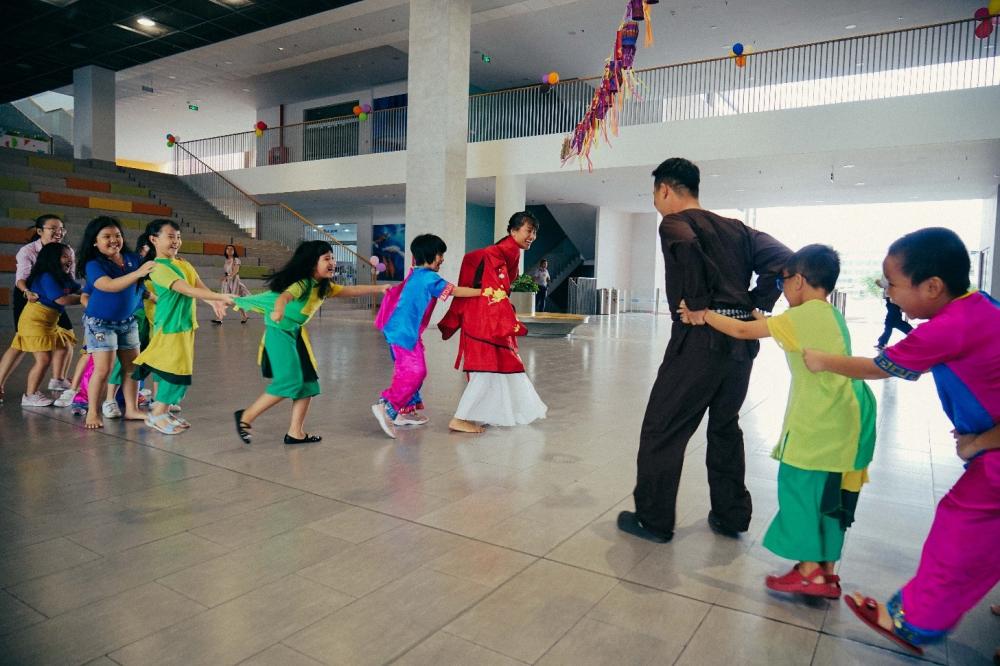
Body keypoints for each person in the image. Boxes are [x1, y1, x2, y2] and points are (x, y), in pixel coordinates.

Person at [802, 227, 999, 656]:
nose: (888, 294)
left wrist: (820, 360)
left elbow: (880, 367)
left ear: (932, 286)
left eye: (891, 284)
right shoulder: (979, 306)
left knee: (960, 523)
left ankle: (913, 622)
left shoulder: (951, 326)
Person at [681, 245, 876, 599]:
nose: (782, 288)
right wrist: (756, 313)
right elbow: (771, 326)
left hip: (822, 422)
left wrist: (703, 314)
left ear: (799, 281)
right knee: (831, 497)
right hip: (852, 420)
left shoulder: (803, 316)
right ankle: (826, 572)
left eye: (783, 281)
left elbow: (742, 333)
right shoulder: (828, 314)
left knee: (799, 488)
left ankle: (809, 572)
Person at [617, 157, 792, 544]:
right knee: (725, 426)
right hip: (740, 345)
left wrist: (697, 302)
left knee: (663, 427)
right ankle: (731, 516)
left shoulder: (674, 222)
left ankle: (653, 519)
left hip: (699, 342)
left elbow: (685, 245)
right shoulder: (738, 230)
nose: (656, 203)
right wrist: (756, 300)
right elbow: (787, 260)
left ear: (665, 189)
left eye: (655, 195)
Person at [232, 240, 387, 444]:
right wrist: (278, 310)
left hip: (295, 334)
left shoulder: (323, 286)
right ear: (312, 263)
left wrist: (381, 289)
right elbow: (285, 297)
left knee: (307, 384)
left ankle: (296, 432)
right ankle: (245, 417)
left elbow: (350, 290)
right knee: (289, 382)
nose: (332, 262)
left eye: (332, 257)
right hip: (279, 332)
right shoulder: (303, 283)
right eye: (326, 258)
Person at [438, 211, 548, 433]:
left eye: (534, 232)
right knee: (486, 367)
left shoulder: (508, 252)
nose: (532, 236)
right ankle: (460, 418)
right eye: (529, 230)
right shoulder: (495, 254)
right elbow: (493, 291)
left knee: (498, 365)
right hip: (483, 317)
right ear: (513, 230)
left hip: (486, 314)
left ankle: (484, 413)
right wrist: (508, 321)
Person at [372, 233, 483, 438]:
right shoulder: (429, 277)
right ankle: (388, 405)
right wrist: (482, 292)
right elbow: (454, 291)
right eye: (440, 254)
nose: (442, 259)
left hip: (402, 330)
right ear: (431, 254)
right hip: (404, 333)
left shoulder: (416, 273)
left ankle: (403, 413)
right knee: (415, 372)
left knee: (409, 370)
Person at [132, 220, 234, 435]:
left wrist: (214, 301)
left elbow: (198, 286)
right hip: (169, 327)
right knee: (173, 372)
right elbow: (185, 289)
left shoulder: (183, 264)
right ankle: (156, 414)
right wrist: (220, 296)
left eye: (178, 236)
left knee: (183, 372)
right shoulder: (157, 268)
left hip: (185, 326)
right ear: (153, 239)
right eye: (170, 236)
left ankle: (165, 410)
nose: (176, 241)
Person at [77, 216, 155, 429]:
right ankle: (92, 411)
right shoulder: (94, 264)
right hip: (100, 323)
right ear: (95, 241)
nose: (114, 240)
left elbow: (137, 284)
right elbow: (108, 285)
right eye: (107, 236)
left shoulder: (131, 259)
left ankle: (131, 409)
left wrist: (149, 294)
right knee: (103, 369)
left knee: (132, 367)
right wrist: (138, 272)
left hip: (127, 321)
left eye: (117, 235)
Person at [0, 214, 76, 403]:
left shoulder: (66, 251)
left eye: (61, 229)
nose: (58, 232)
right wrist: (28, 292)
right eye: (53, 228)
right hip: (29, 295)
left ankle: (58, 379)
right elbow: (21, 279)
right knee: (21, 342)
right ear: (40, 231)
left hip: (52, 298)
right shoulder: (28, 251)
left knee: (65, 336)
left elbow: (70, 280)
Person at [213, 244, 250, 324]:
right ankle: (220, 318)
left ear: (234, 251)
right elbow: (227, 272)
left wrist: (228, 277)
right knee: (224, 299)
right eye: (228, 249)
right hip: (227, 282)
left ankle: (244, 315)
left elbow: (235, 271)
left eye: (231, 249)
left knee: (235, 300)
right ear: (226, 251)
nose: (229, 250)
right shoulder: (226, 260)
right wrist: (224, 277)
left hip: (234, 281)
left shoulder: (236, 260)